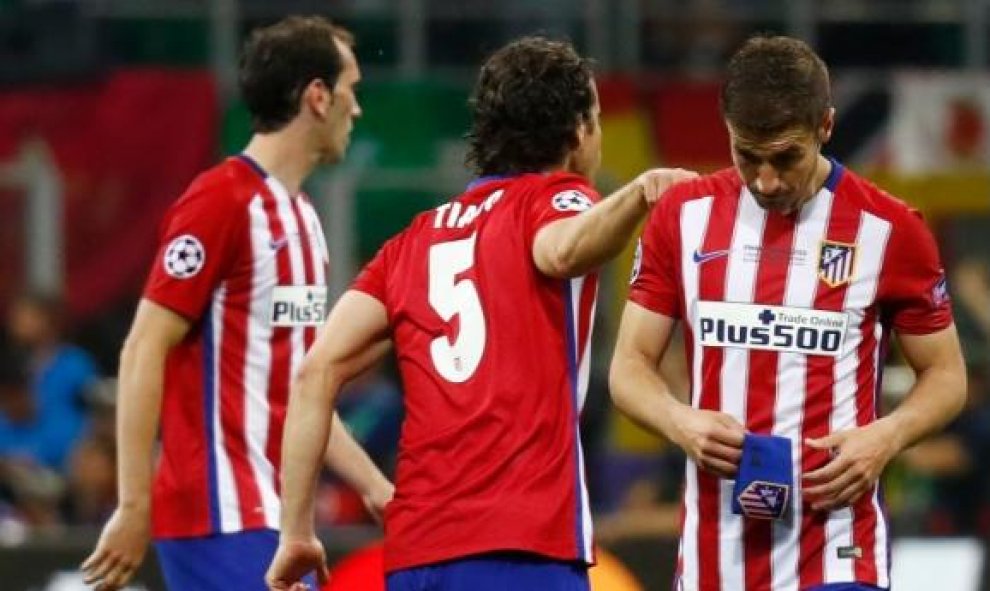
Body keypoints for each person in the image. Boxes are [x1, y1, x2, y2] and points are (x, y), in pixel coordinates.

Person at [266, 37, 696, 590]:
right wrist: (639, 194)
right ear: (579, 132)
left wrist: (296, 531)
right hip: (520, 547)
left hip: (416, 556)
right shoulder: (556, 197)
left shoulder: (412, 241)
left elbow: (313, 373)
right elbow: (561, 250)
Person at [609, 35, 967, 591]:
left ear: (825, 126)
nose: (766, 180)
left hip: (837, 549)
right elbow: (629, 366)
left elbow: (946, 375)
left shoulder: (891, 230)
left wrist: (888, 436)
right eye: (746, 156)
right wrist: (680, 421)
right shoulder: (681, 217)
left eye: (785, 157)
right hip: (714, 554)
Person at [80, 16, 393, 591]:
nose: (358, 108)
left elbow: (299, 387)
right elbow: (144, 347)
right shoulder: (219, 202)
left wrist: (376, 487)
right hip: (217, 513)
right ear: (317, 96)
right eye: (351, 89)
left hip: (281, 519)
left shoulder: (303, 220)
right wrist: (132, 503)